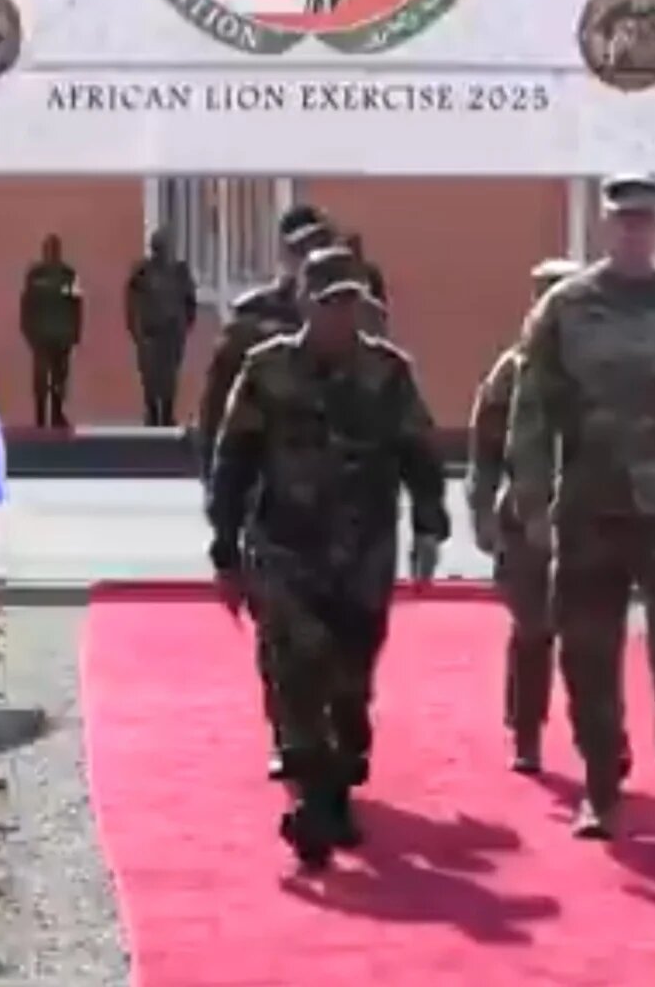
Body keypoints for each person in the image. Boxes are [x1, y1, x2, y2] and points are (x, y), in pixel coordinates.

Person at [505, 173, 655, 860]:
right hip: (591, 507)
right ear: (606, 226)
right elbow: (532, 411)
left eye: (645, 221)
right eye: (623, 220)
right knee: (588, 656)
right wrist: (531, 501)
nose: (634, 231)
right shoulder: (565, 309)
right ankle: (601, 787)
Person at [207, 244, 450, 871]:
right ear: (304, 305)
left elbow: (420, 454)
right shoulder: (268, 370)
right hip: (286, 546)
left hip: (364, 551)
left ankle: (337, 781)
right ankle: (314, 799)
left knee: (350, 681)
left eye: (350, 304)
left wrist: (430, 526)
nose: (341, 317)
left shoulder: (388, 373)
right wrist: (225, 545)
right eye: (329, 304)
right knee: (297, 666)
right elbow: (234, 459)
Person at [469, 258, 629, 778]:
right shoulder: (512, 370)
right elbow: (485, 447)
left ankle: (606, 737)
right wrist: (482, 510)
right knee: (533, 630)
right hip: (527, 521)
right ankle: (527, 732)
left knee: (597, 636)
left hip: (594, 518)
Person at [196, 203, 336, 780]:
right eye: (301, 250)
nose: (309, 260)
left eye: (320, 249)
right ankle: (288, 731)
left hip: (343, 505)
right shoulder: (253, 318)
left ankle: (326, 728)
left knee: (340, 625)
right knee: (278, 627)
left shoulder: (355, 313)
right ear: (285, 256)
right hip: (269, 500)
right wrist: (219, 493)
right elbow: (217, 412)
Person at [125, 228, 198, 426]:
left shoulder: (180, 272)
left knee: (169, 375)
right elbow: (132, 300)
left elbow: (190, 300)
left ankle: (166, 412)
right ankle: (152, 412)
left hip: (172, 332)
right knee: (150, 374)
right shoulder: (143, 271)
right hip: (150, 332)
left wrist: (186, 324)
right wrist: (134, 326)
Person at [19, 234, 83, 430]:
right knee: (45, 378)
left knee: (57, 378)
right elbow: (27, 305)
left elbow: (76, 305)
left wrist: (75, 333)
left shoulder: (66, 274)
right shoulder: (39, 275)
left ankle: (54, 414)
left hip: (56, 335)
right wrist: (28, 331)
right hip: (46, 335)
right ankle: (43, 417)